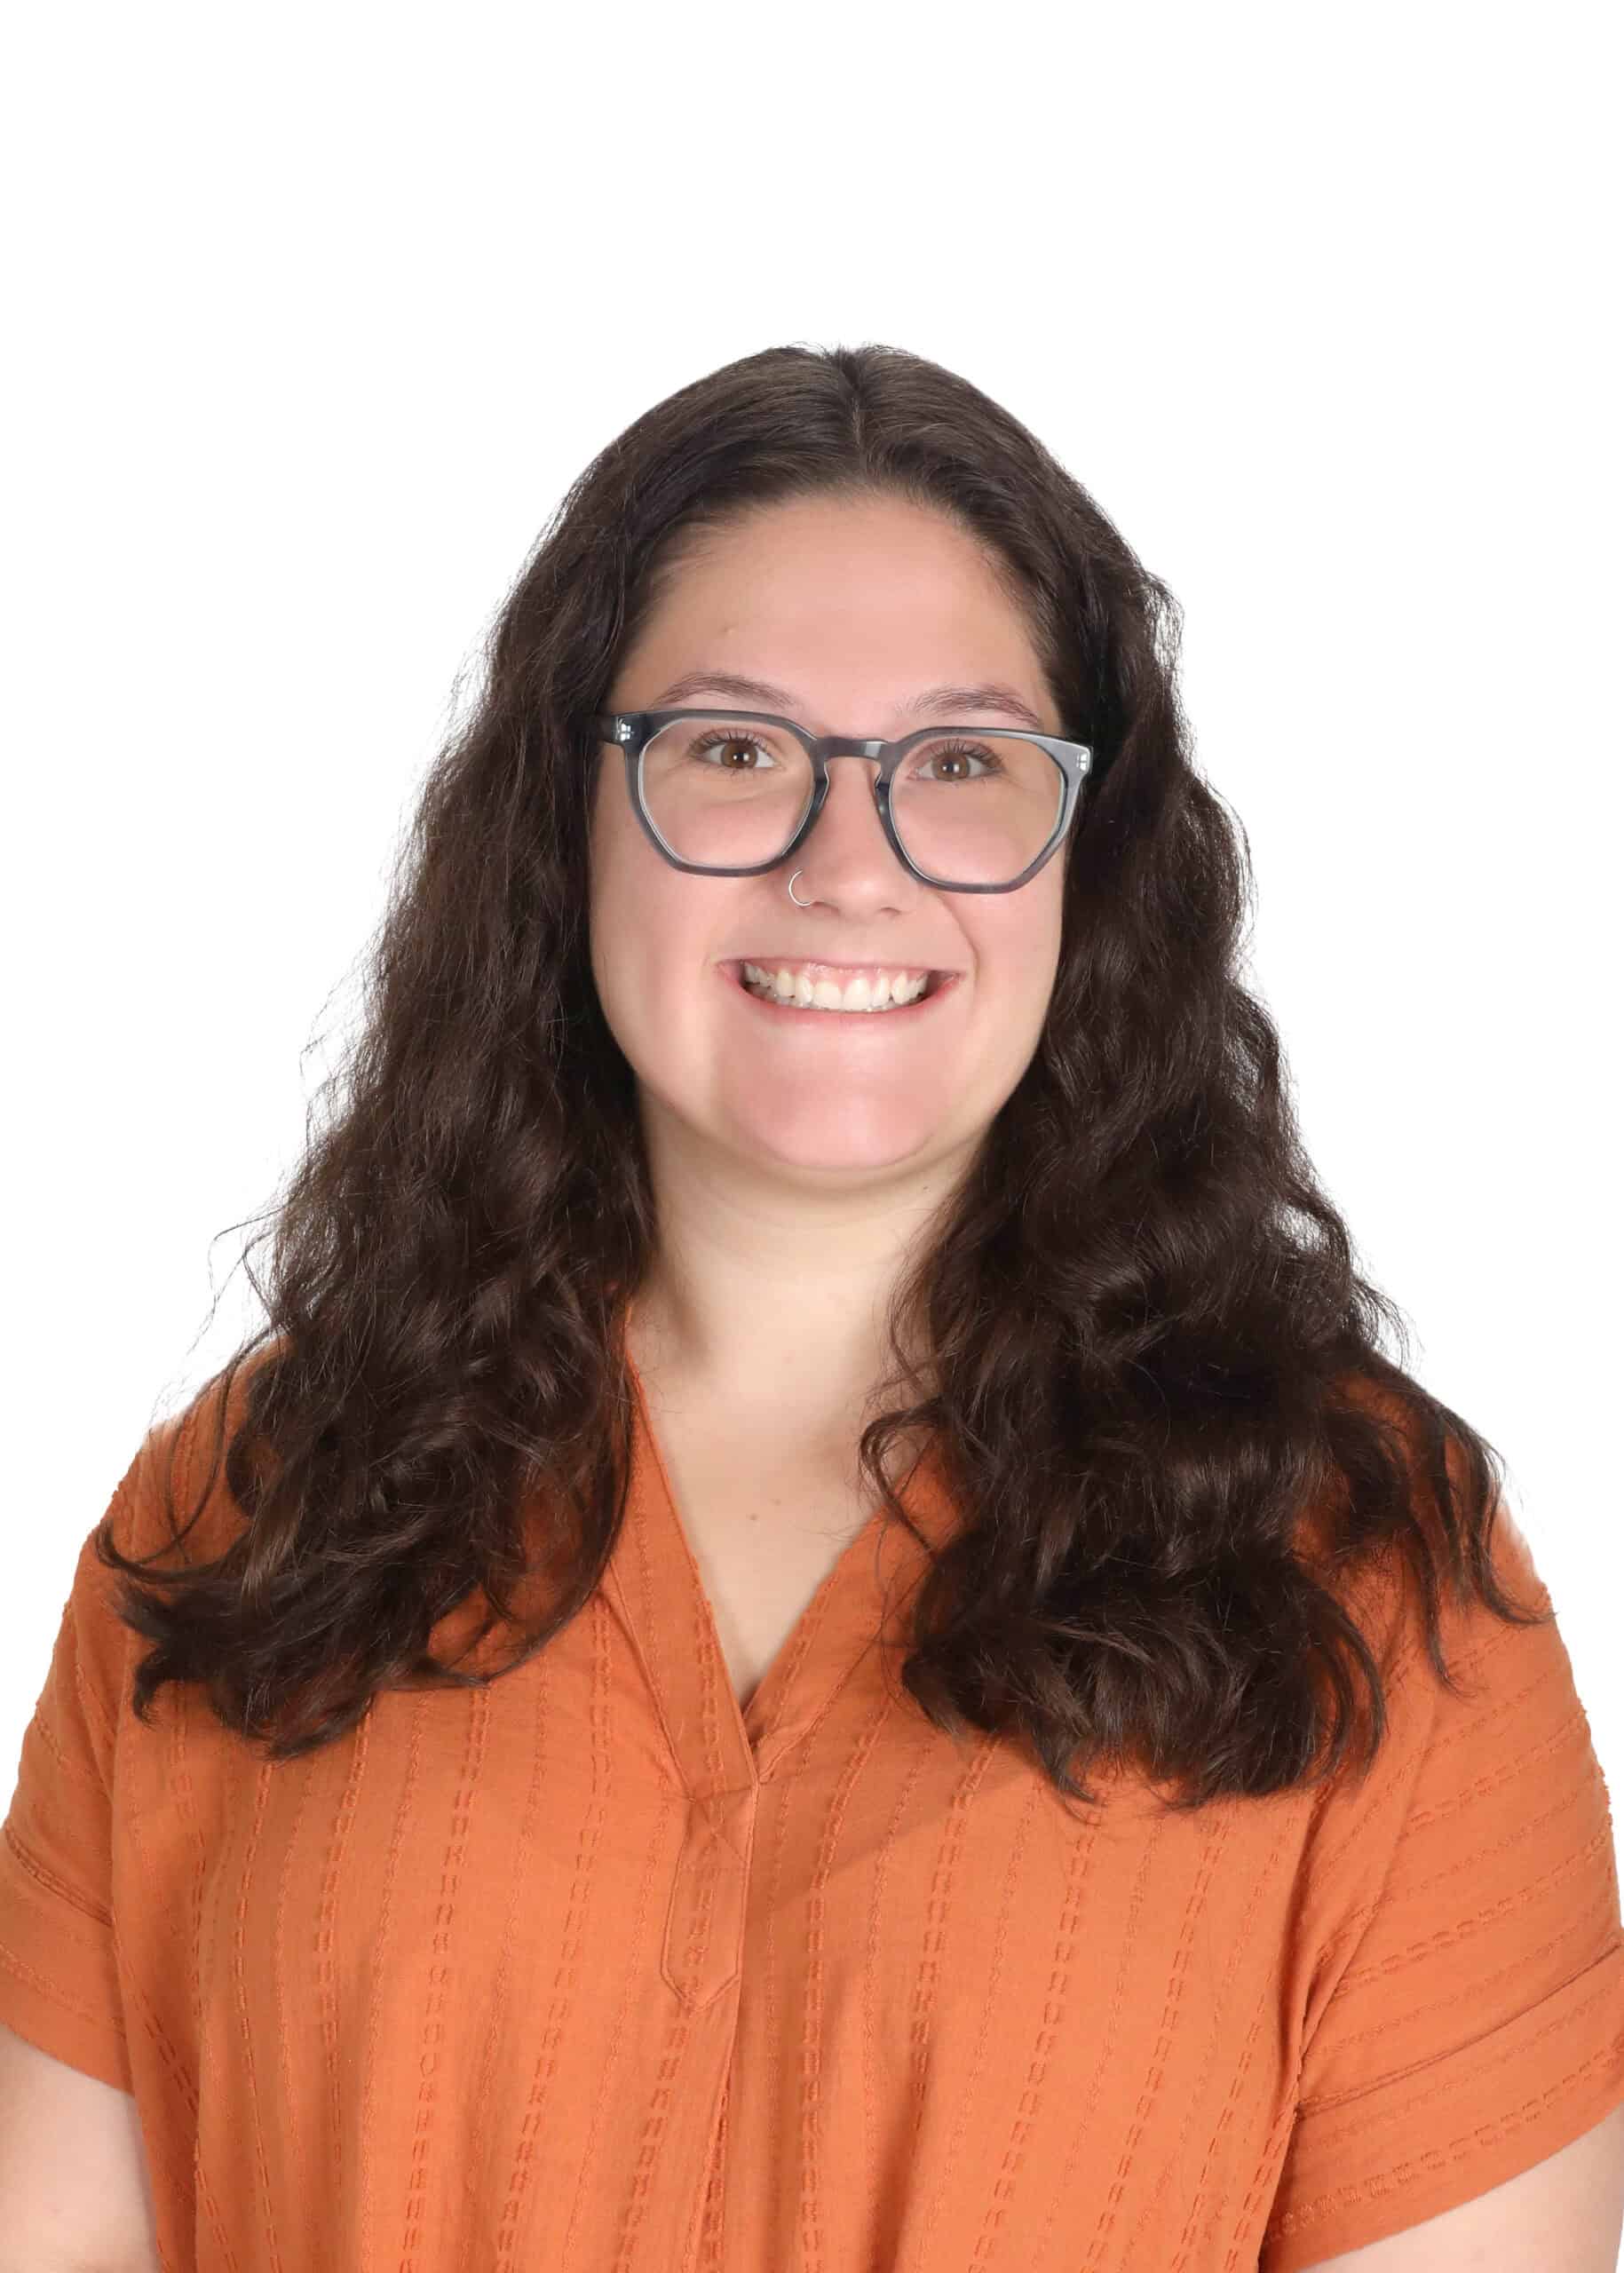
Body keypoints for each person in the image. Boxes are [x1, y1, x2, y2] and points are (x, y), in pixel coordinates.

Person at [2, 342, 1621, 2272]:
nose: (846, 864)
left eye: (960, 763)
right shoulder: (241, 1527)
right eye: (733, 748)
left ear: (1088, 859)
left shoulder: (1373, 1580)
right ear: (566, 817)